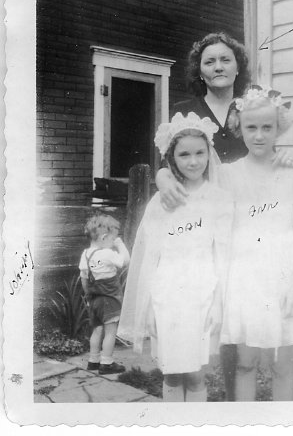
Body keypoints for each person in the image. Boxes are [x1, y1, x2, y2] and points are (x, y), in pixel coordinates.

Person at [156, 30, 293, 401]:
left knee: (239, 312)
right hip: (204, 221)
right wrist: (162, 174)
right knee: (206, 306)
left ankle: (237, 402)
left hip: (248, 220)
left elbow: (267, 146)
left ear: (238, 67)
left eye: (225, 59)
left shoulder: (250, 107)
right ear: (199, 71)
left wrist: (281, 159)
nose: (218, 66)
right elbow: (169, 155)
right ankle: (190, 383)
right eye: (209, 61)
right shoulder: (186, 109)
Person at [118, 112, 233, 402]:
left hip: (203, 294)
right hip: (166, 294)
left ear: (209, 153)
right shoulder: (161, 201)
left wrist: (219, 304)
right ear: (171, 159)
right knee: (170, 372)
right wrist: (148, 309)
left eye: (199, 153)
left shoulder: (219, 200)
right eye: (184, 155)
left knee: (195, 374)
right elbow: (149, 258)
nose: (193, 161)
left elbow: (224, 257)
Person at [218, 86, 293, 401]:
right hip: (245, 279)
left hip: (283, 277)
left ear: (279, 128)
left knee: (282, 365)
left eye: (267, 127)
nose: (259, 135)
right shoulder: (229, 174)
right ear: (239, 128)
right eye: (251, 127)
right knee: (245, 364)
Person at [79, 213, 130, 374]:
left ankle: (93, 360)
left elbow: (84, 278)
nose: (113, 243)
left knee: (96, 329)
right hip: (110, 299)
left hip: (94, 300)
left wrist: (88, 297)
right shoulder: (108, 254)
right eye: (111, 239)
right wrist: (120, 245)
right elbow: (125, 261)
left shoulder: (85, 254)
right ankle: (106, 363)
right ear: (103, 238)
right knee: (110, 332)